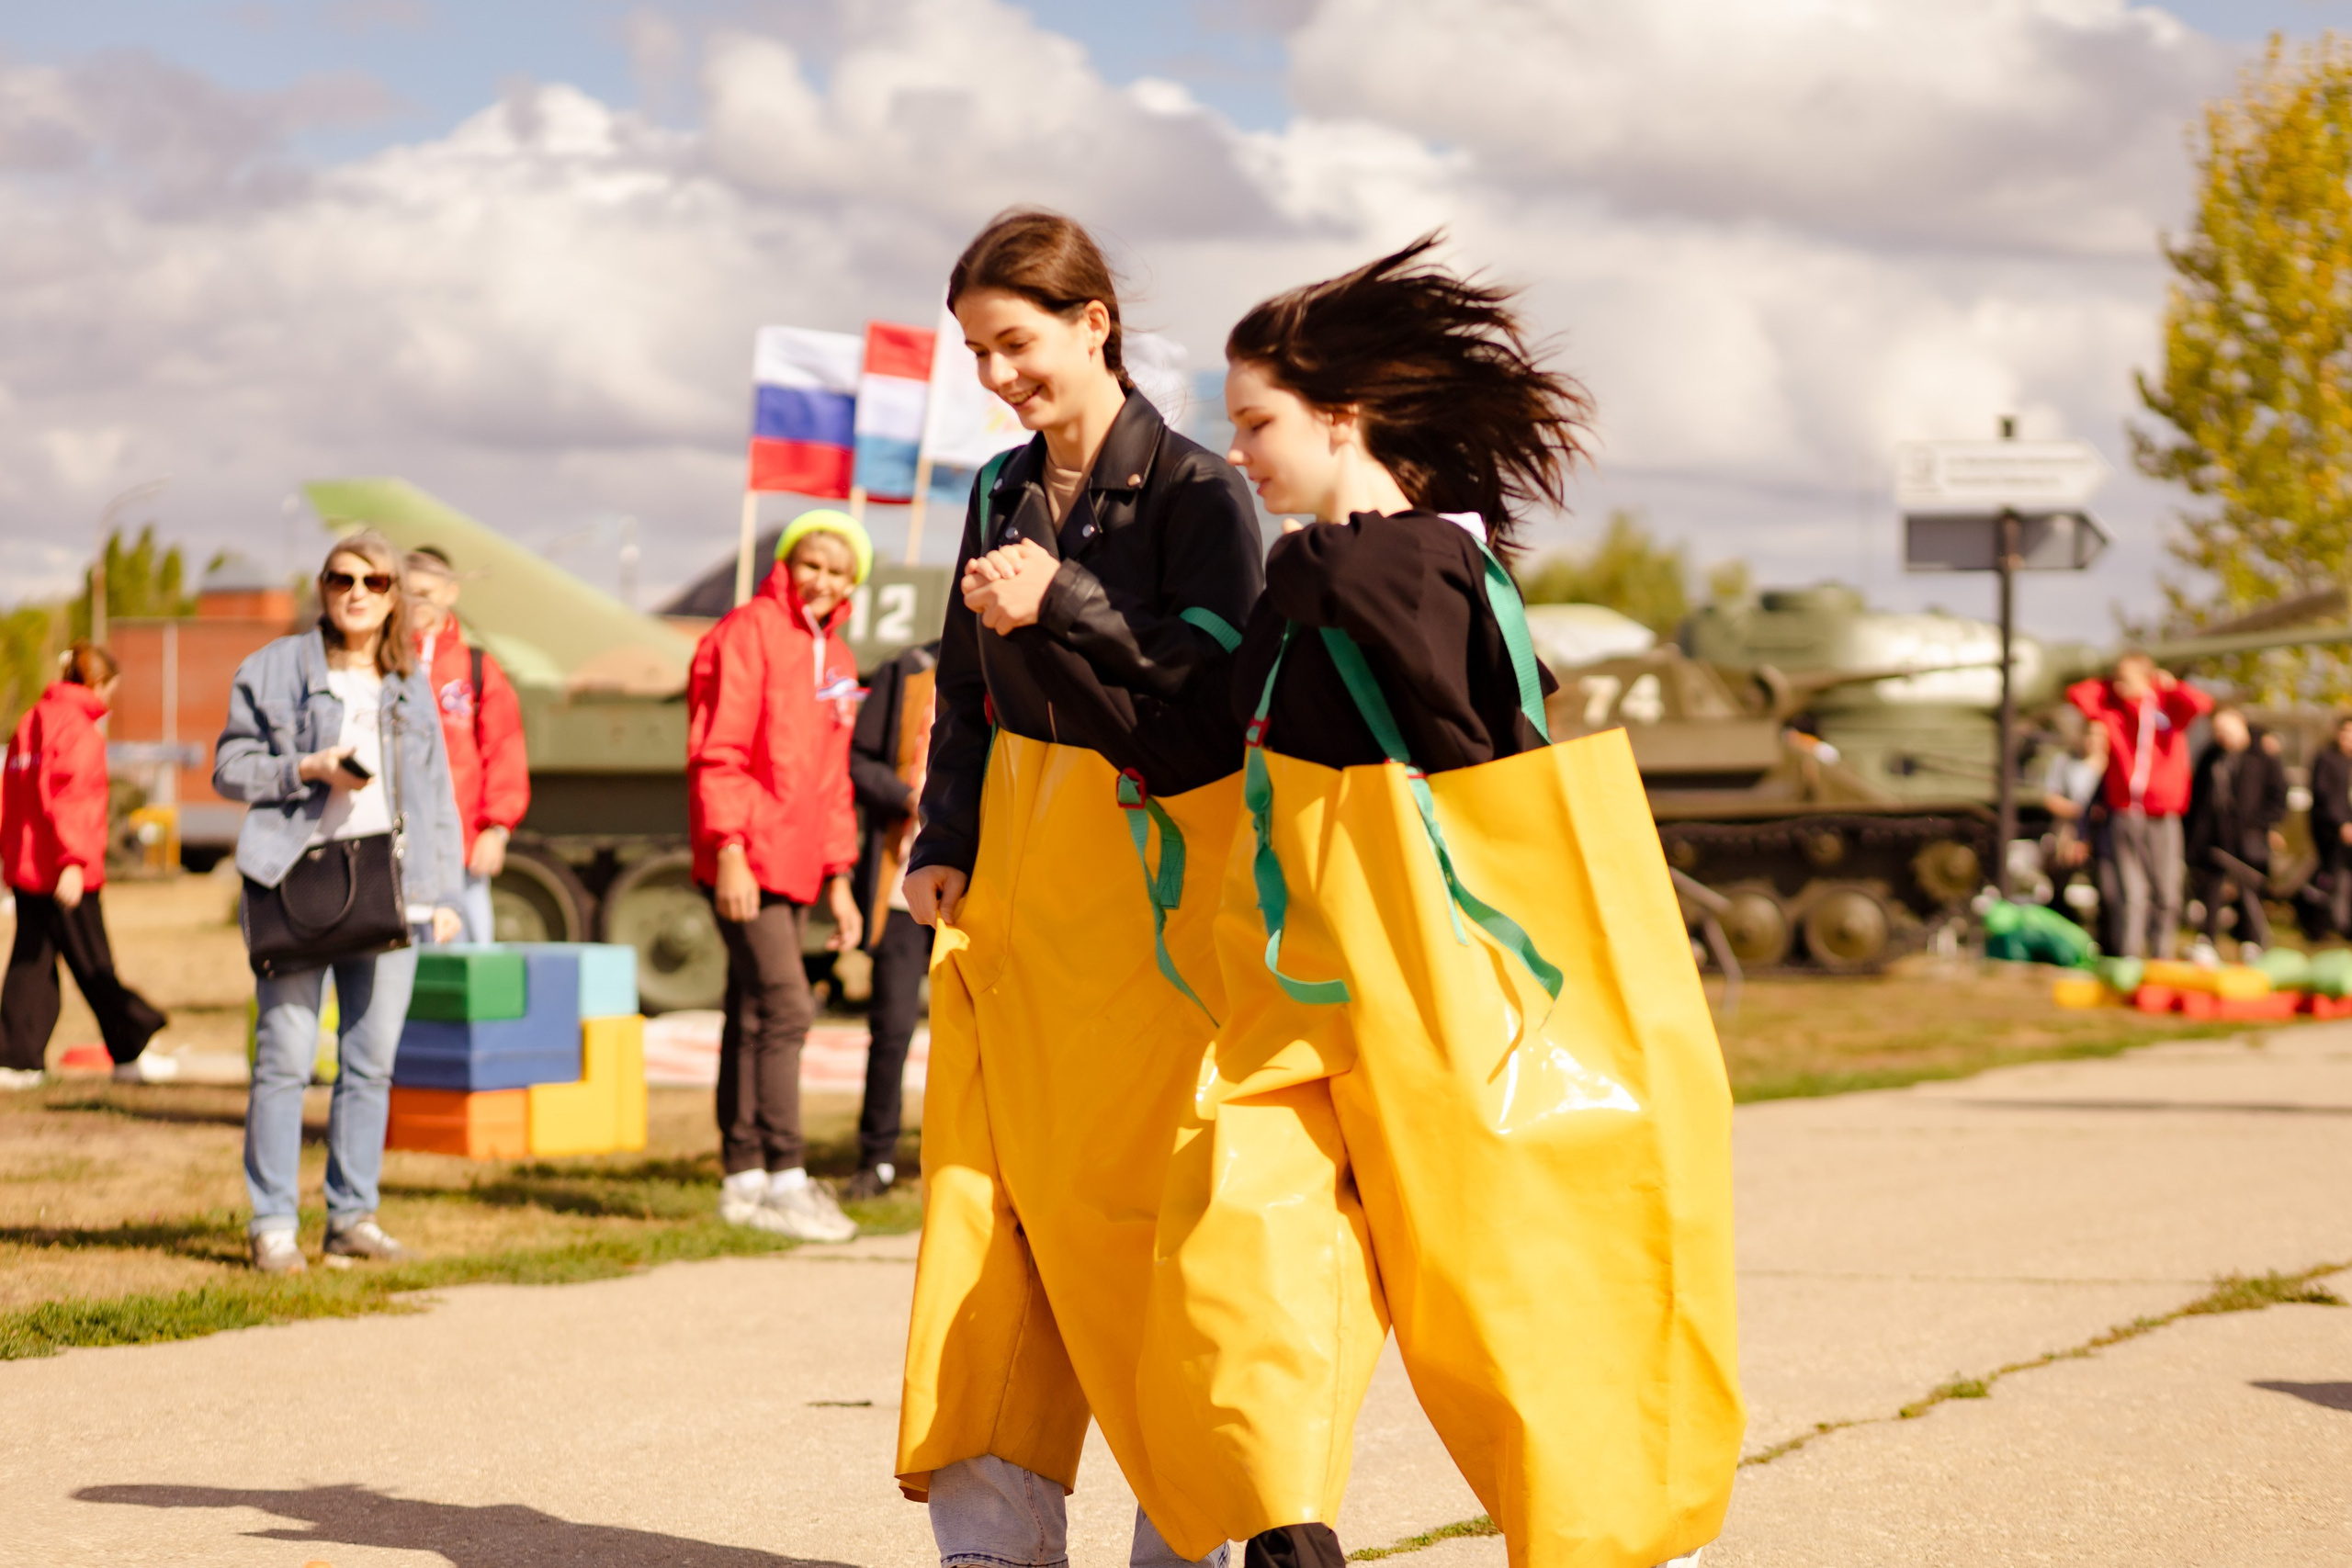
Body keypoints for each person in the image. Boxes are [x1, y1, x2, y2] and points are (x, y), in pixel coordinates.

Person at [1133, 237, 1740, 1568]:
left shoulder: (1402, 566)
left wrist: (1304, 577)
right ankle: (1273, 1525)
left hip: (1443, 994)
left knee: (1501, 1287)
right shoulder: (1338, 572)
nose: (1238, 451)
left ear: (1342, 417)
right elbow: (1222, 728)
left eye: (1258, 422)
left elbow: (1474, 754)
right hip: (1312, 990)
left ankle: (1617, 1539)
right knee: (1243, 1240)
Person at [892, 209, 1262, 1568]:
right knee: (989, 1209)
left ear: (1093, 322)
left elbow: (1209, 705)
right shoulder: (997, 488)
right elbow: (963, 683)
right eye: (977, 354)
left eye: (1016, 344)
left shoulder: (1204, 492)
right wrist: (943, 832)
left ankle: (1195, 1527)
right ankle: (993, 1535)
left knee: (1153, 1220)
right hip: (1017, 890)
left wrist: (1063, 603)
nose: (998, 377)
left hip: (1157, 902)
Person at [214, 531, 466, 1274]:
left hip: (391, 888)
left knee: (371, 1063)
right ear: (322, 587)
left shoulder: (409, 681)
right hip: (296, 881)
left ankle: (353, 1216)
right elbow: (229, 768)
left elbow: (436, 795)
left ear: (393, 597)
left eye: (375, 581)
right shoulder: (272, 668)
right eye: (341, 577)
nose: (357, 591)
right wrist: (308, 766)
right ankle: (272, 1224)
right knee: (285, 1058)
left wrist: (441, 892)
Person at [686, 510, 869, 1244]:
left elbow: (833, 780)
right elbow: (719, 748)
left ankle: (744, 1179)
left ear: (852, 582)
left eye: (837, 570)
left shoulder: (841, 659)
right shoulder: (748, 631)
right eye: (810, 563)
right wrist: (729, 845)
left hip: (798, 862)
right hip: (746, 855)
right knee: (789, 1007)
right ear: (786, 564)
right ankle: (788, 1175)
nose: (822, 579)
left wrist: (840, 877)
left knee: (755, 1011)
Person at [0, 641, 170, 1089]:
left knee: (31, 964)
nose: (110, 700)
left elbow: (12, 796)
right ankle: (132, 1048)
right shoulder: (79, 730)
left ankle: (16, 1060)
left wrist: (9, 857)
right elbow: (71, 798)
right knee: (93, 964)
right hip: (65, 871)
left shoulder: (30, 721)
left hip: (29, 866)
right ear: (97, 683)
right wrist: (73, 862)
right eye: (111, 689)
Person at [844, 637, 939, 1201]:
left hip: (979, 891)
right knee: (892, 1028)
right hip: (904, 888)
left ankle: (974, 1161)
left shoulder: (1018, 662)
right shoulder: (908, 670)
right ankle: (875, 1159)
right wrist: (908, 797)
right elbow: (859, 761)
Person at [403, 547, 529, 943]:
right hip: (396, 849)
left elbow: (505, 748)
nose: (415, 602)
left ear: (450, 592)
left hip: (460, 849)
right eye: (406, 592)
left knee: (464, 957)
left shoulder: (475, 667)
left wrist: (497, 828)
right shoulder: (384, 662)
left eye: (425, 593)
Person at [2067, 651, 2211, 958]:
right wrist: (2111, 684)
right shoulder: (2113, 709)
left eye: (2127, 679)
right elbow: (2078, 694)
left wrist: (2167, 686)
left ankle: (2161, 953)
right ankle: (2129, 953)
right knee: (2130, 891)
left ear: (2148, 678)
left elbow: (2201, 704)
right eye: (2117, 678)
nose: (2121, 685)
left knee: (2166, 890)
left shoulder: (2167, 708)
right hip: (2124, 811)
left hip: (2162, 812)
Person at [2185, 705, 2289, 959]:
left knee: (2248, 891)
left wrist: (2261, 825)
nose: (2222, 736)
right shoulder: (2211, 755)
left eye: (2226, 730)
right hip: (2215, 835)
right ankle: (2207, 940)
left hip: (2249, 838)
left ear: (2240, 724)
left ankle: (2252, 941)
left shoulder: (2263, 755)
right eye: (2217, 731)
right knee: (2210, 888)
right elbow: (2197, 795)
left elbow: (2278, 795)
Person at [2303, 714, 2352, 938]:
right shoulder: (2327, 758)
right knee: (2332, 877)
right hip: (2331, 831)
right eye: (2345, 732)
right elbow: (2325, 796)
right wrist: (2341, 823)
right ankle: (2327, 924)